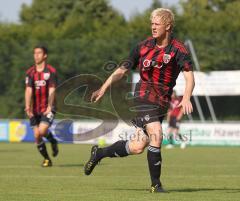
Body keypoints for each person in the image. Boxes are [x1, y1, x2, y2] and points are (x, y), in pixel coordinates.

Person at [84, 8, 195, 193]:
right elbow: (122, 70)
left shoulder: (178, 49)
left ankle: (100, 153)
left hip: (162, 102)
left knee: (137, 147)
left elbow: (190, 77)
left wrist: (186, 97)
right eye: (151, 23)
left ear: (168, 26)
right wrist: (103, 88)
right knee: (157, 134)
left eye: (157, 24)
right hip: (144, 97)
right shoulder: (143, 47)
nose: (153, 27)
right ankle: (156, 185)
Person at [25, 45, 59, 167]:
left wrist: (50, 106)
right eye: (35, 53)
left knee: (42, 130)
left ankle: (53, 141)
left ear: (45, 55)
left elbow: (52, 89)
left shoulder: (51, 71)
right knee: (37, 135)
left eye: (39, 53)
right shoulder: (30, 72)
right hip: (34, 109)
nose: (36, 55)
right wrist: (27, 106)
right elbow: (28, 90)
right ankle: (47, 159)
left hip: (48, 107)